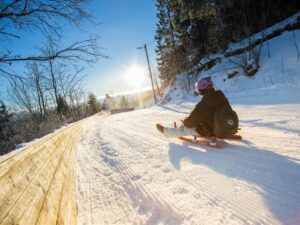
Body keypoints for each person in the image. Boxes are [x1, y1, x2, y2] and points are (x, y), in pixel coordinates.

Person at [156, 77, 238, 138]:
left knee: (186, 129)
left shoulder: (204, 103)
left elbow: (190, 122)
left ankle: (166, 132)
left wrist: (185, 122)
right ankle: (226, 129)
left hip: (213, 131)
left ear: (202, 90)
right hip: (229, 127)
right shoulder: (221, 96)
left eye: (198, 89)